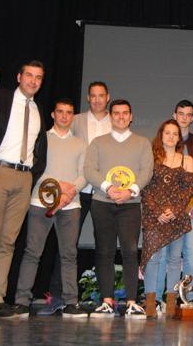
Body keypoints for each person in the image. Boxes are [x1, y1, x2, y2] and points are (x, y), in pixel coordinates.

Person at [0, 61, 47, 317]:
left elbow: (40, 150)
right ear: (19, 77)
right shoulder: (0, 98)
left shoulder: (38, 109)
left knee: (8, 241)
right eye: (29, 75)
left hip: (24, 178)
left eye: (38, 77)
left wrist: (31, 175)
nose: (33, 81)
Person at [38, 81, 111, 315]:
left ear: (107, 97)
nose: (97, 99)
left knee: (104, 247)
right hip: (75, 192)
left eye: (101, 96)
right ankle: (58, 297)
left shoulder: (116, 122)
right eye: (93, 96)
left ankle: (105, 298)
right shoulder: (75, 119)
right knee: (66, 247)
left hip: (103, 193)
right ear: (88, 98)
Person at [12, 98, 88, 318]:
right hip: (39, 203)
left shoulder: (81, 144)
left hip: (70, 205)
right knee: (32, 252)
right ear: (53, 115)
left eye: (69, 112)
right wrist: (58, 186)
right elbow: (35, 169)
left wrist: (69, 192)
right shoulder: (41, 139)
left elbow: (84, 174)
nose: (64, 116)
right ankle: (21, 301)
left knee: (69, 254)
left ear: (73, 116)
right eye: (60, 112)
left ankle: (71, 301)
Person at [83, 99, 153, 319]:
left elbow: (146, 171)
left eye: (125, 113)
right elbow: (89, 170)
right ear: (110, 116)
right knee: (104, 252)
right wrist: (109, 188)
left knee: (130, 252)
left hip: (130, 205)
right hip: (102, 203)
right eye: (116, 113)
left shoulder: (142, 143)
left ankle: (131, 302)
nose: (121, 117)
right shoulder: (97, 142)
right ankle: (107, 301)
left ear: (131, 116)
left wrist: (130, 191)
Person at [153, 100, 193, 316]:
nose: (185, 118)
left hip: (190, 207)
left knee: (189, 251)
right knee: (163, 253)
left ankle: (188, 299)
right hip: (166, 210)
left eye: (189, 114)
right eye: (181, 113)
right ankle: (160, 299)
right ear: (174, 114)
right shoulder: (161, 145)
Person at [140, 119, 193, 318]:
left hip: (177, 218)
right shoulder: (150, 158)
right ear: (160, 135)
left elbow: (188, 190)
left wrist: (175, 211)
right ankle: (150, 304)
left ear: (179, 137)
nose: (171, 137)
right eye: (167, 133)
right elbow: (145, 189)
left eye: (175, 133)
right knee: (154, 258)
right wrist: (158, 213)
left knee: (173, 260)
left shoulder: (186, 161)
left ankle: (171, 304)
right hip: (154, 217)